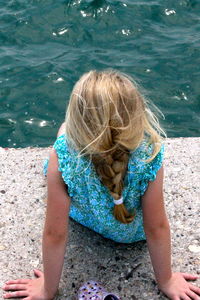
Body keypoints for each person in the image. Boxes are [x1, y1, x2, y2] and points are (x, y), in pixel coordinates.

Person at [3, 70, 200, 300]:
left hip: (85, 218)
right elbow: (156, 228)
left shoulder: (64, 157)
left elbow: (54, 234)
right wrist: (166, 280)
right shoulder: (149, 155)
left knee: (63, 132)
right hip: (130, 233)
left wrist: (47, 289)